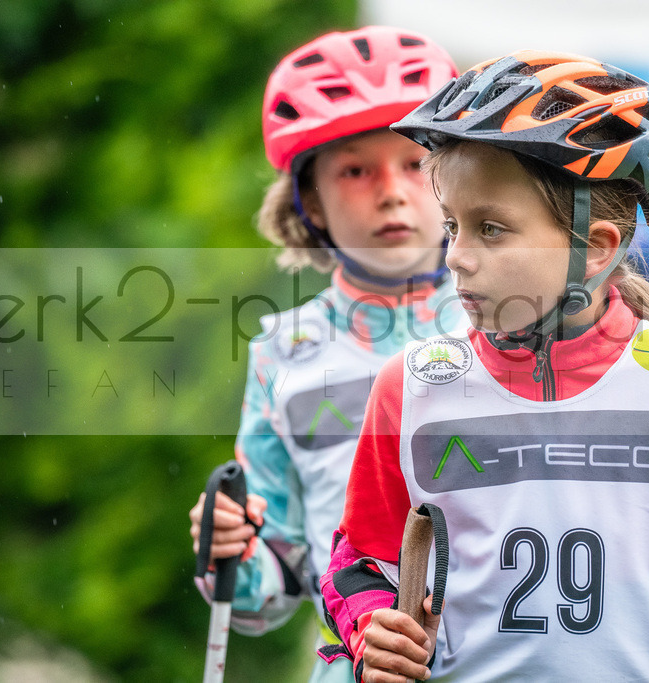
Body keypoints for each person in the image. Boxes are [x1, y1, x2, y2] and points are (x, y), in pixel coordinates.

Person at [320, 51, 649, 682]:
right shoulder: (411, 388)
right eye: (453, 226)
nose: (456, 258)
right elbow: (358, 566)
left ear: (596, 249)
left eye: (491, 230)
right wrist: (371, 628)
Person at [186, 26, 465, 682]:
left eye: (415, 163)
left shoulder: (525, 324)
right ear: (309, 200)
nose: (392, 190)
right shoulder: (281, 354)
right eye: (356, 169)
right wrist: (227, 548)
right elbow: (266, 590)